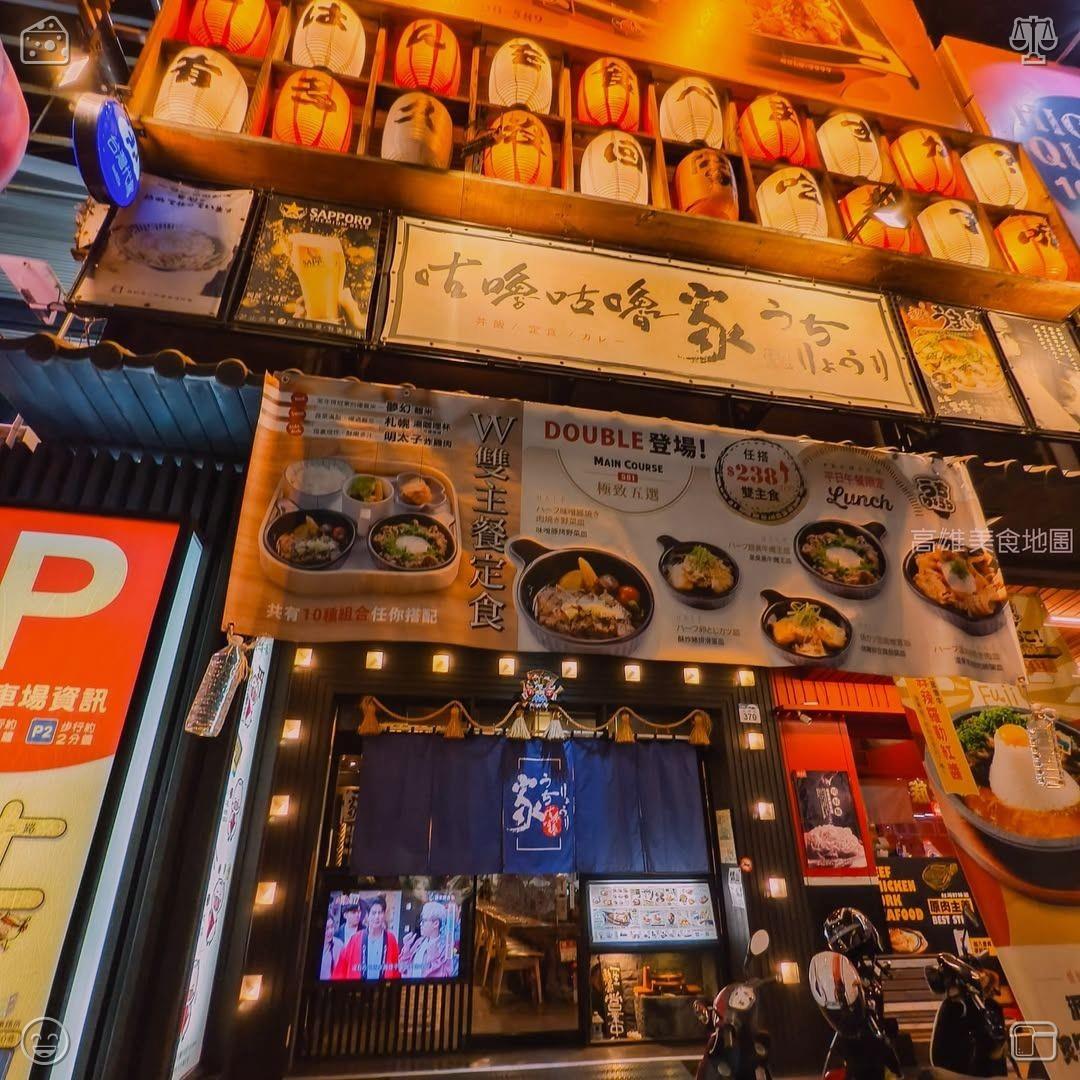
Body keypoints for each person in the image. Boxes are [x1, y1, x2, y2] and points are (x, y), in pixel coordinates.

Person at [332, 895, 400, 980]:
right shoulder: (355, 939)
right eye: (374, 913)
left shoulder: (391, 939)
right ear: (367, 916)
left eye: (380, 913)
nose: (377, 917)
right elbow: (340, 970)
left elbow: (396, 968)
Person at [398, 901, 455, 979]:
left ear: (436, 923)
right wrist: (406, 949)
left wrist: (434, 958)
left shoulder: (446, 948)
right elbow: (402, 969)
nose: (421, 924)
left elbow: (446, 977)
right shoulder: (418, 942)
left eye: (424, 921)